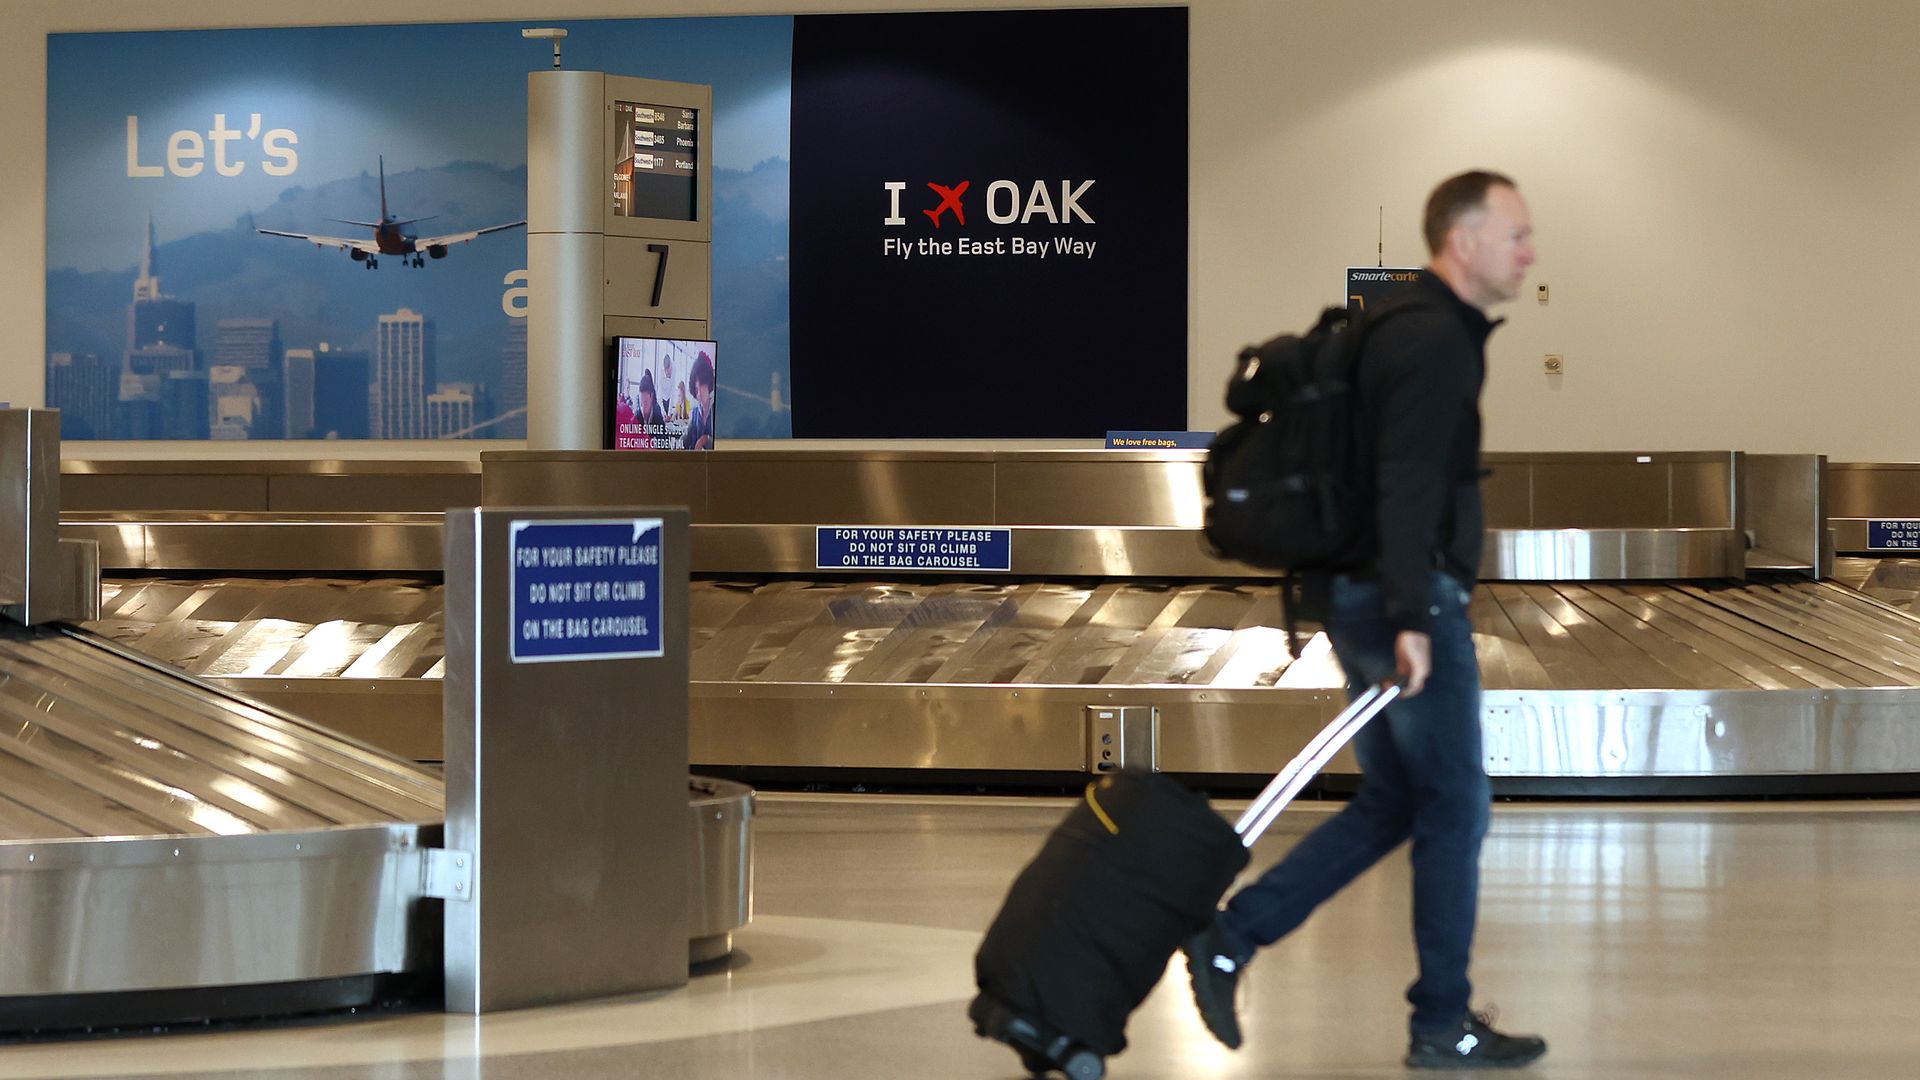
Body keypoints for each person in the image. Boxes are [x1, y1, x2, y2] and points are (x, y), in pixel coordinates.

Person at [1183, 171, 1546, 1070]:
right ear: (1462, 241)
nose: (1528, 253)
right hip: (1402, 601)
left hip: (1363, 592)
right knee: (1455, 807)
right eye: (1516, 234)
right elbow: (1408, 481)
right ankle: (1440, 1023)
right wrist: (1415, 613)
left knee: (1398, 799)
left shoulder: (1401, 324)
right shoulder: (1433, 341)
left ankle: (1232, 936)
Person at [684, 351, 716, 450]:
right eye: (696, 389)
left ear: (708, 383)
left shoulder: (719, 409)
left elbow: (725, 444)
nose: (699, 393)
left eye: (701, 386)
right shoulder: (695, 413)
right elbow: (686, 440)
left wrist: (706, 440)